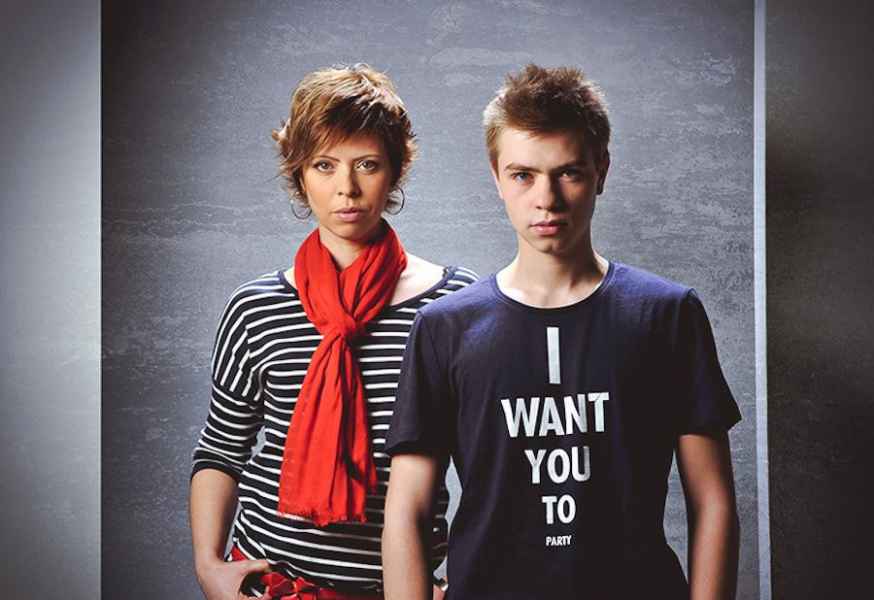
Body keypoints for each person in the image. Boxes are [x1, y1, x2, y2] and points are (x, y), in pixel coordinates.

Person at [382, 64, 741, 600]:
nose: (546, 198)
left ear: (601, 170)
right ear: (497, 177)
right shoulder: (445, 328)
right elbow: (407, 511)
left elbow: (712, 502)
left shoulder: (667, 315)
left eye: (568, 172)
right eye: (523, 175)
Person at [189, 64, 476, 600]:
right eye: (324, 165)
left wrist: (457, 580)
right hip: (275, 585)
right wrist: (209, 565)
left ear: (394, 170)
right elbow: (221, 449)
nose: (347, 188)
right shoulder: (255, 307)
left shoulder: (455, 303)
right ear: (300, 174)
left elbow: (489, 462)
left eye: (367, 164)